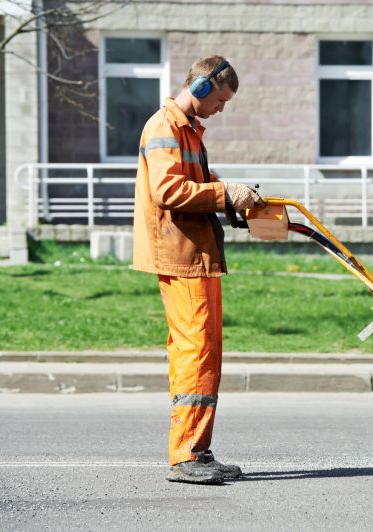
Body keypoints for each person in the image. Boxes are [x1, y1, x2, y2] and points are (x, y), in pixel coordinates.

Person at [132, 54, 259, 485]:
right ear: (202, 87)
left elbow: (196, 182)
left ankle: (197, 450)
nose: (221, 109)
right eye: (220, 100)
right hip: (183, 256)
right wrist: (224, 194)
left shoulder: (187, 132)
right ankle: (186, 453)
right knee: (196, 354)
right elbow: (168, 189)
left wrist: (232, 197)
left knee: (204, 353)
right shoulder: (165, 127)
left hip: (195, 255)